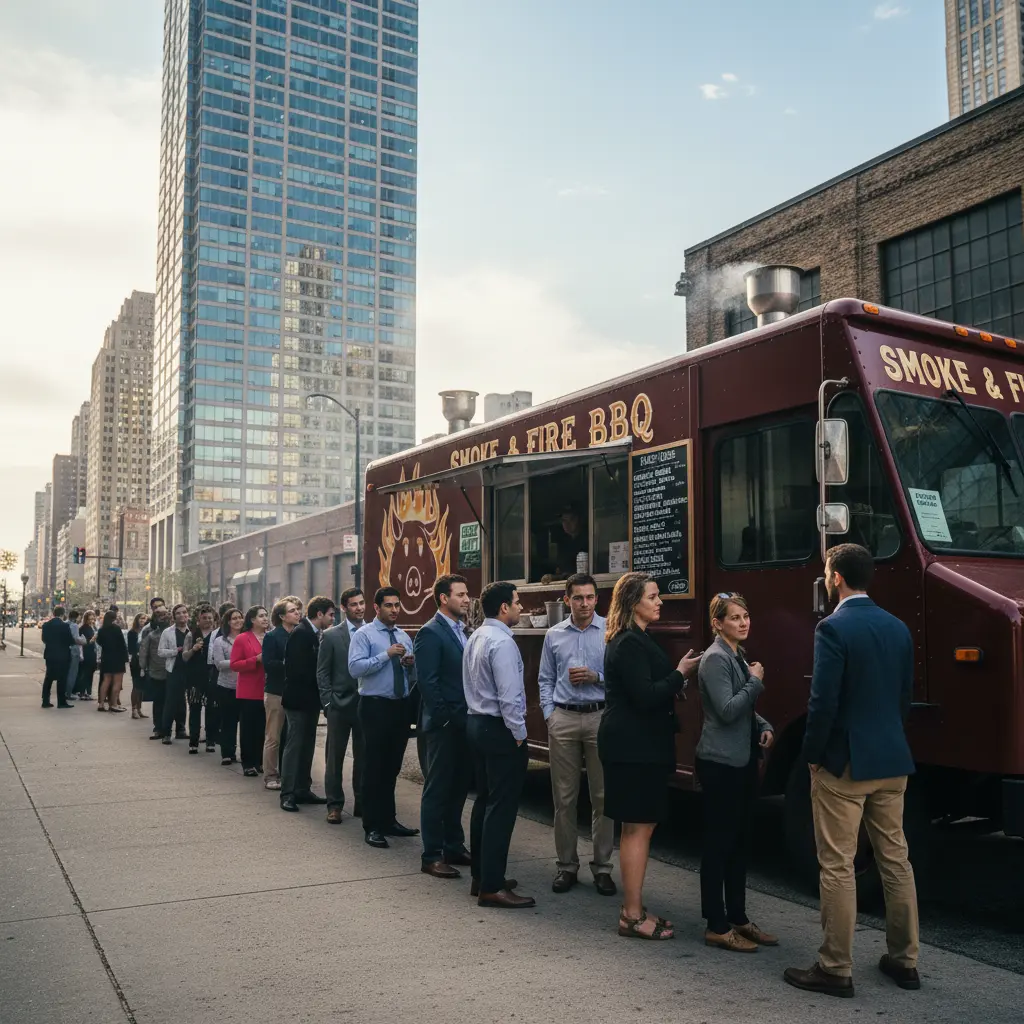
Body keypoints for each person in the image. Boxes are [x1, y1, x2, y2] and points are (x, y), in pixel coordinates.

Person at [785, 544, 919, 998]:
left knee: (837, 865)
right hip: (892, 758)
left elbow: (822, 703)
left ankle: (835, 967)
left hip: (845, 763)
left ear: (836, 577)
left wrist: (812, 755)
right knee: (895, 860)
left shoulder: (833, 628)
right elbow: (903, 697)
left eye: (826, 572)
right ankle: (905, 961)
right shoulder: (899, 627)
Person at [598, 572, 701, 940]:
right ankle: (631, 914)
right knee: (637, 829)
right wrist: (679, 674)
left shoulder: (636, 639)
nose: (660, 602)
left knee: (640, 827)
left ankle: (635, 908)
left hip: (638, 745)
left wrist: (674, 678)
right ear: (632, 602)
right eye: (653, 597)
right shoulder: (628, 643)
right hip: (633, 748)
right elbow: (644, 696)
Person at [696, 594, 777, 952]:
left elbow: (744, 711)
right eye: (734, 618)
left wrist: (764, 724)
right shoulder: (715, 659)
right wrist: (756, 680)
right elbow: (727, 710)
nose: (743, 622)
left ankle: (739, 918)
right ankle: (716, 923)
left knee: (739, 843)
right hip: (719, 763)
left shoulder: (737, 655)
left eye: (746, 616)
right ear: (717, 624)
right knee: (719, 844)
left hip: (741, 760)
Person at [538, 573, 616, 895]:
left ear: (597, 599)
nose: (584, 603)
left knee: (603, 799)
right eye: (578, 598)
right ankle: (567, 866)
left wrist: (596, 676)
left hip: (599, 717)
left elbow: (621, 677)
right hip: (565, 719)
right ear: (567, 599)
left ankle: (603, 869)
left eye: (590, 597)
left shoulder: (610, 631)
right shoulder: (554, 635)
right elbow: (544, 679)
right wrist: (550, 716)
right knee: (564, 799)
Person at [463, 581, 533, 909]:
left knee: (485, 801)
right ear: (504, 607)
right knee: (501, 809)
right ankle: (492, 886)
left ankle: (482, 876)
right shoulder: (503, 643)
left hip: (476, 724)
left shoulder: (476, 635)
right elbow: (510, 697)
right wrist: (519, 734)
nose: (521, 607)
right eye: (517, 603)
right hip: (499, 729)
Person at [414, 574, 474, 879]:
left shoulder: (463, 630)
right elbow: (427, 682)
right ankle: (431, 854)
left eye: (467, 594)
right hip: (443, 725)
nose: (466, 599)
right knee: (437, 789)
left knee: (459, 787)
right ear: (443, 598)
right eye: (460, 595)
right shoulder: (430, 632)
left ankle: (454, 845)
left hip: (465, 722)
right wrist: (446, 718)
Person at [349, 587, 418, 847]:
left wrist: (408, 664)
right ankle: (372, 825)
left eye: (397, 605)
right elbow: (355, 668)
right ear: (376, 608)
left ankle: (389, 820)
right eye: (388, 605)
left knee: (392, 767)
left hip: (399, 706)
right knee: (373, 766)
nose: (394, 610)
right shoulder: (363, 635)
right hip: (374, 706)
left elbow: (410, 675)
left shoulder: (403, 636)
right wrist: (385, 655)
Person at [279, 595, 336, 811]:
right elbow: (297, 670)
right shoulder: (301, 634)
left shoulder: (313, 633)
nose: (333, 618)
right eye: (331, 614)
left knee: (307, 745)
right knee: (294, 746)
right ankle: (288, 793)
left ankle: (302, 788)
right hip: (298, 700)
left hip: (310, 701)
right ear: (319, 614)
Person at [316, 588, 366, 823]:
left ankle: (362, 803)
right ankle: (334, 805)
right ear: (344, 608)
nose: (359, 608)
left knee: (364, 757)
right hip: (338, 704)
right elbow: (322, 672)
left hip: (366, 704)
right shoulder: (332, 635)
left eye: (362, 603)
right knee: (334, 757)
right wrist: (327, 702)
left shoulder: (372, 632)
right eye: (354, 604)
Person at [262, 596, 302, 791]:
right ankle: (270, 774)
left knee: (292, 737)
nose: (297, 613)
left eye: (297, 610)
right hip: (276, 692)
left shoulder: (299, 634)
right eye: (293, 610)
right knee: (274, 736)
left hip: (295, 692)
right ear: (282, 616)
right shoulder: (272, 636)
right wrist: (289, 665)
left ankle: (290, 774)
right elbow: (268, 664)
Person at [231, 605, 269, 777]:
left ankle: (260, 760)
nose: (265, 618)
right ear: (252, 619)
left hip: (268, 689)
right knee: (249, 728)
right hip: (248, 690)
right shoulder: (242, 639)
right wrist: (255, 660)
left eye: (266, 615)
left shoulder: (270, 637)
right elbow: (234, 664)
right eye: (261, 616)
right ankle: (248, 762)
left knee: (264, 727)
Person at [212, 608, 243, 764]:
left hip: (245, 687)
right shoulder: (220, 641)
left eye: (239, 617)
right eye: (233, 618)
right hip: (226, 686)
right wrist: (242, 663)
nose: (237, 621)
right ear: (228, 622)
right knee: (228, 721)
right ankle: (227, 753)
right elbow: (219, 664)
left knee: (245, 722)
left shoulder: (247, 638)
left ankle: (246, 753)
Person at [158, 604, 193, 743]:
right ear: (174, 616)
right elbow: (160, 651)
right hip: (174, 669)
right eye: (178, 613)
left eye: (184, 612)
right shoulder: (168, 632)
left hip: (190, 670)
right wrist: (175, 651)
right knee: (171, 701)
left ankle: (181, 729)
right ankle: (166, 732)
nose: (182, 615)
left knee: (184, 701)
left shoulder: (192, 631)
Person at [185, 607, 217, 753]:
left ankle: (211, 740)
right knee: (195, 709)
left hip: (212, 677)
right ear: (198, 621)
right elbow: (184, 657)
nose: (208, 620)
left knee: (212, 710)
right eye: (204, 618)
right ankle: (194, 741)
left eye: (210, 618)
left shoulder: (218, 635)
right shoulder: (191, 635)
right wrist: (194, 649)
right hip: (195, 678)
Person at [139, 607, 171, 738]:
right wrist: (143, 668)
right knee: (158, 701)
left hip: (172, 671)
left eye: (165, 615)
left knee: (173, 702)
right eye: (159, 615)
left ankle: (174, 728)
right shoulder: (150, 633)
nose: (162, 617)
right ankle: (158, 728)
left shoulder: (173, 631)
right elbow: (143, 650)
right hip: (156, 671)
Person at [41, 606, 75, 709]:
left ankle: (45, 701)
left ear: (54, 614)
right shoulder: (64, 626)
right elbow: (70, 640)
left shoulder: (46, 625)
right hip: (63, 655)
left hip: (50, 655)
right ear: (62, 614)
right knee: (62, 679)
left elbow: (44, 639)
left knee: (48, 678)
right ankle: (61, 702)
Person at [96, 609, 130, 713]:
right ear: (114, 618)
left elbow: (99, 642)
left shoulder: (101, 630)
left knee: (105, 681)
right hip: (117, 657)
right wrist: (125, 657)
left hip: (106, 657)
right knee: (117, 682)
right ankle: (114, 704)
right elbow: (122, 643)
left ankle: (101, 703)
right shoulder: (116, 629)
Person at [127, 613, 148, 720]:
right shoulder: (132, 633)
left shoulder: (146, 632)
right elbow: (131, 649)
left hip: (145, 661)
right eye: (141, 618)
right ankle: (134, 709)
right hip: (136, 661)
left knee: (142, 687)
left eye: (145, 618)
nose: (143, 620)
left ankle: (139, 709)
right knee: (136, 685)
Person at [75, 610, 98, 700]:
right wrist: (92, 639)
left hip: (93, 652)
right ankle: (82, 692)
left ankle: (88, 692)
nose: (92, 621)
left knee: (90, 672)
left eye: (93, 619)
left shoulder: (93, 627)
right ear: (86, 619)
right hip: (86, 652)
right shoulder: (83, 628)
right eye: (90, 619)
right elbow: (83, 642)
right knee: (85, 673)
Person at [66, 609, 86, 701]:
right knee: (72, 672)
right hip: (74, 650)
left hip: (66, 649)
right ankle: (69, 693)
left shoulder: (65, 623)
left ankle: (66, 691)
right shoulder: (74, 626)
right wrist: (83, 640)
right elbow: (76, 639)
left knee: (67, 672)